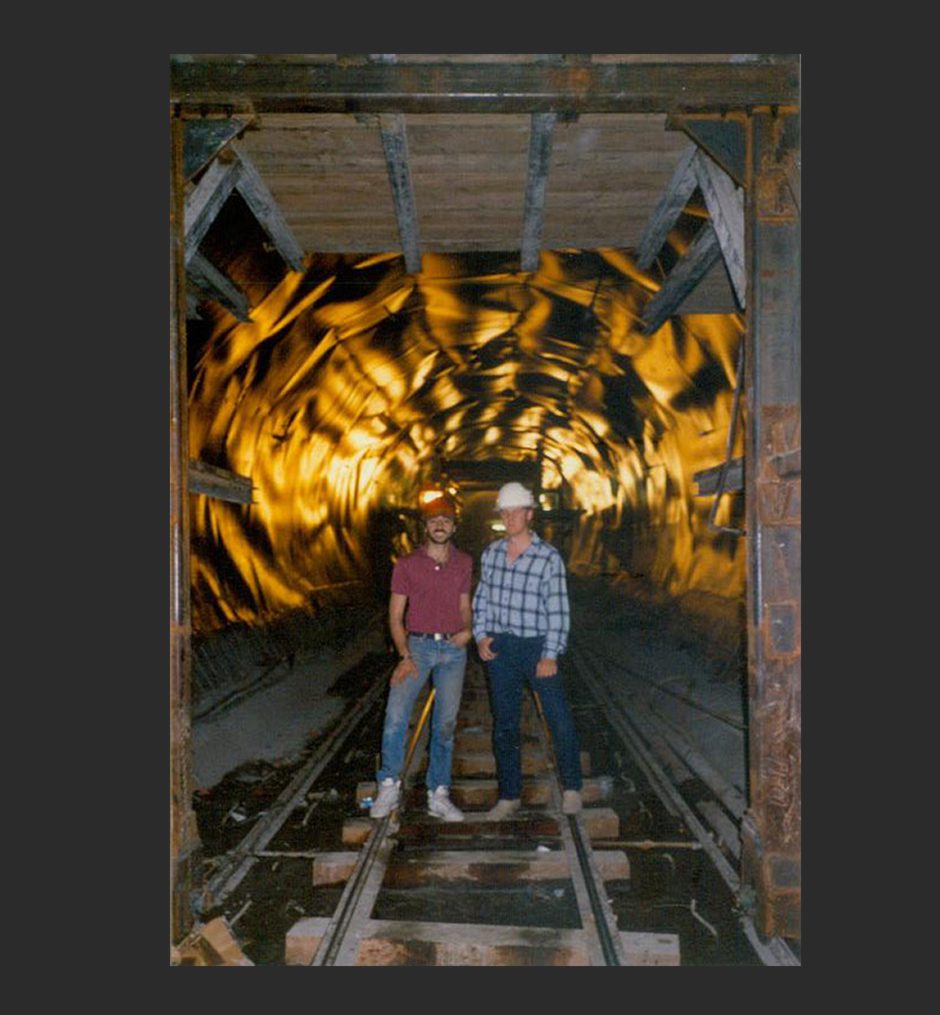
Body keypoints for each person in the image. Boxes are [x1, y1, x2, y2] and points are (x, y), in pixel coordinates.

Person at [472, 481, 583, 819]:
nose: (509, 517)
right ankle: (509, 796)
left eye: (515, 511)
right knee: (505, 723)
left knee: (557, 717)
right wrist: (480, 636)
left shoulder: (547, 557)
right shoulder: (491, 554)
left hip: (536, 647)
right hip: (502, 647)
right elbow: (482, 600)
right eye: (504, 512)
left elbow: (558, 609)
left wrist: (550, 653)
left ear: (529, 514)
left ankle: (573, 789)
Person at [370, 492, 473, 822]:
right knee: (397, 715)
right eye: (433, 520)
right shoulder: (407, 565)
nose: (440, 525)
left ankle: (438, 794)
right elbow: (395, 616)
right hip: (419, 648)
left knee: (444, 723)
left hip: (453, 652)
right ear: (425, 526)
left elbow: (464, 605)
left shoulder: (464, 562)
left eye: (446, 520)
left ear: (454, 526)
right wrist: (405, 655)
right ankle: (388, 784)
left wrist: (468, 630)